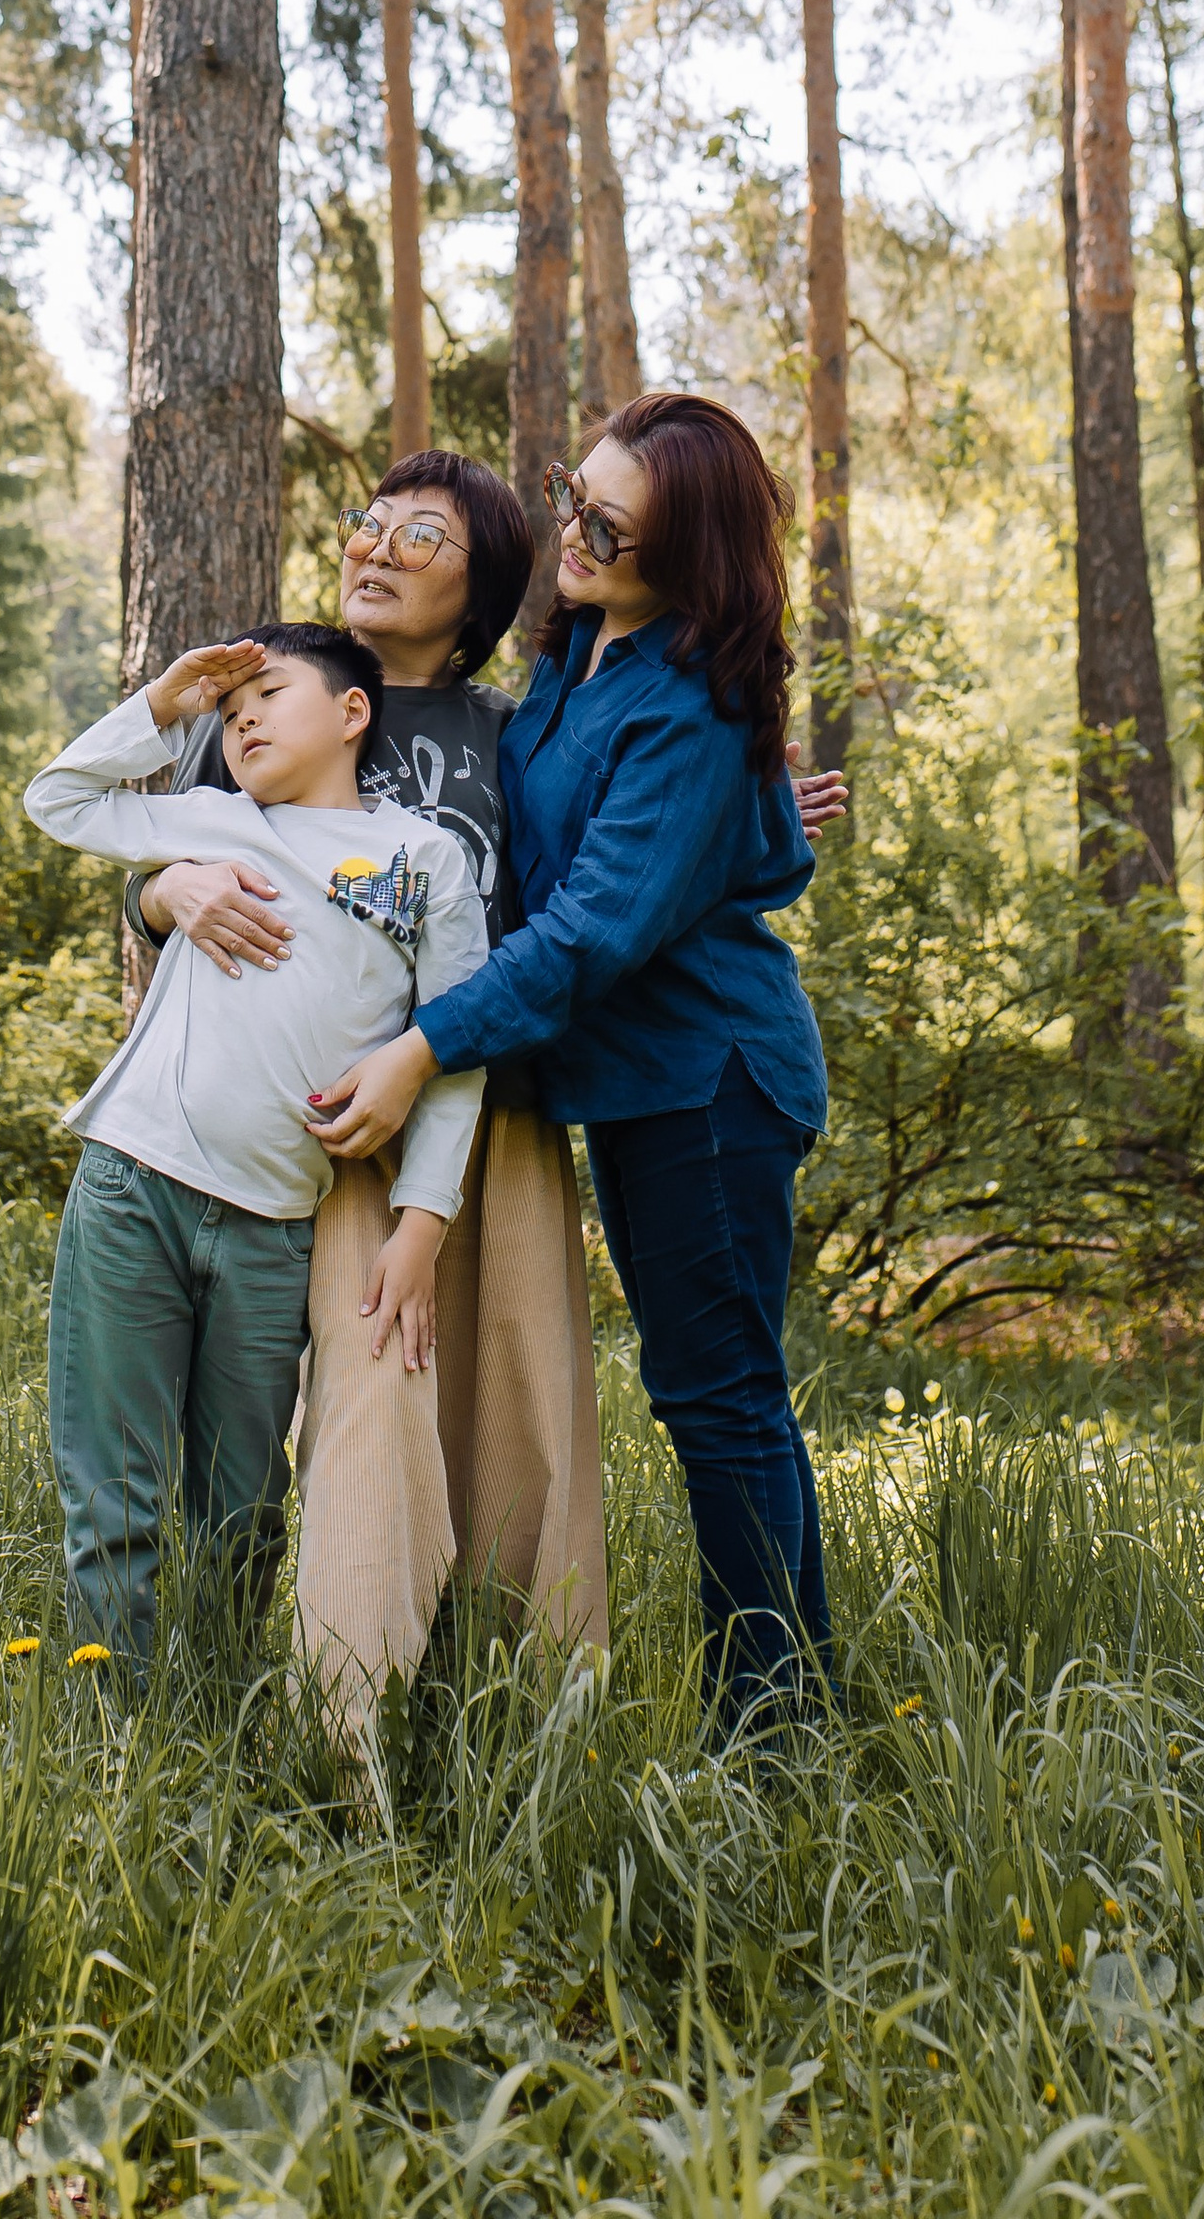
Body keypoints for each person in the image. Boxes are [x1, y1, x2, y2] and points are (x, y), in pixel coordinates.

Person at [307, 394, 831, 1714]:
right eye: (573, 498)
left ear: (693, 557)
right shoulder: (581, 647)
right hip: (636, 1083)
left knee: (720, 1407)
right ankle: (777, 1704)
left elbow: (593, 931)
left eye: (615, 528)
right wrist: (761, 818)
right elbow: (535, 856)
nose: (577, 538)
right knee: (708, 1399)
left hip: (707, 1085)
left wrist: (425, 1046)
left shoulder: (689, 699)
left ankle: (776, 1729)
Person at [25, 620, 488, 1678]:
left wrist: (422, 1224)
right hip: (130, 1187)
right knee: (114, 1493)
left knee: (242, 1509)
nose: (240, 719)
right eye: (228, 712)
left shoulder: (425, 860)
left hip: (276, 1226)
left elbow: (456, 1055)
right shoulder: (213, 822)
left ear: (351, 712)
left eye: (265, 697)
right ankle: (112, 1736)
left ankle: (220, 1720)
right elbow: (53, 800)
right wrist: (164, 706)